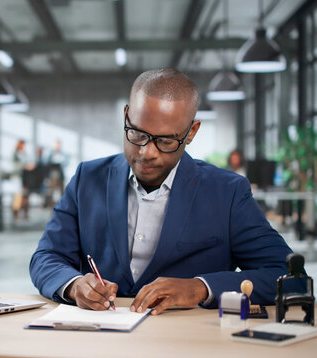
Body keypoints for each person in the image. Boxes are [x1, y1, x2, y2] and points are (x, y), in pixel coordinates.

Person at [29, 68, 296, 315]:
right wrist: (75, 285)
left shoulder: (227, 193)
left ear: (191, 132)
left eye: (165, 141)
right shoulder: (87, 179)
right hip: (103, 340)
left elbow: (290, 279)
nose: (147, 152)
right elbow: (46, 257)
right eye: (136, 134)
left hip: (186, 346)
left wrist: (200, 287)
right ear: (125, 116)